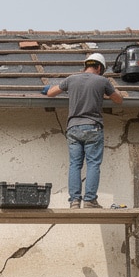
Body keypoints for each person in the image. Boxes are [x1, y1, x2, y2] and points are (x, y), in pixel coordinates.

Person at [44, 52, 125, 209]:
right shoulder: (103, 81)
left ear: (86, 65)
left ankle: (74, 201)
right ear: (99, 67)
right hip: (92, 127)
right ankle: (89, 200)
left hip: (73, 127)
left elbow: (50, 93)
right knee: (93, 163)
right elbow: (118, 100)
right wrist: (105, 94)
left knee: (75, 164)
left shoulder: (72, 79)